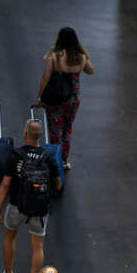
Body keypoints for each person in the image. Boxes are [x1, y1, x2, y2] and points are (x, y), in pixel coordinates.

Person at [0, 119, 61, 273]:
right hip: (39, 209)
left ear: (25, 134)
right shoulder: (48, 156)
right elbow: (58, 184)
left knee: (9, 237)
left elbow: (6, 184)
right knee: (38, 247)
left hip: (16, 205)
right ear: (40, 136)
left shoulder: (16, 155)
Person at [34, 27, 94, 172]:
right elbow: (90, 70)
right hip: (74, 98)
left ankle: (55, 160)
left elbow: (45, 78)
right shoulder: (81, 56)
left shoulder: (54, 56)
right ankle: (64, 160)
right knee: (67, 129)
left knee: (55, 130)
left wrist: (40, 97)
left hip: (56, 99)